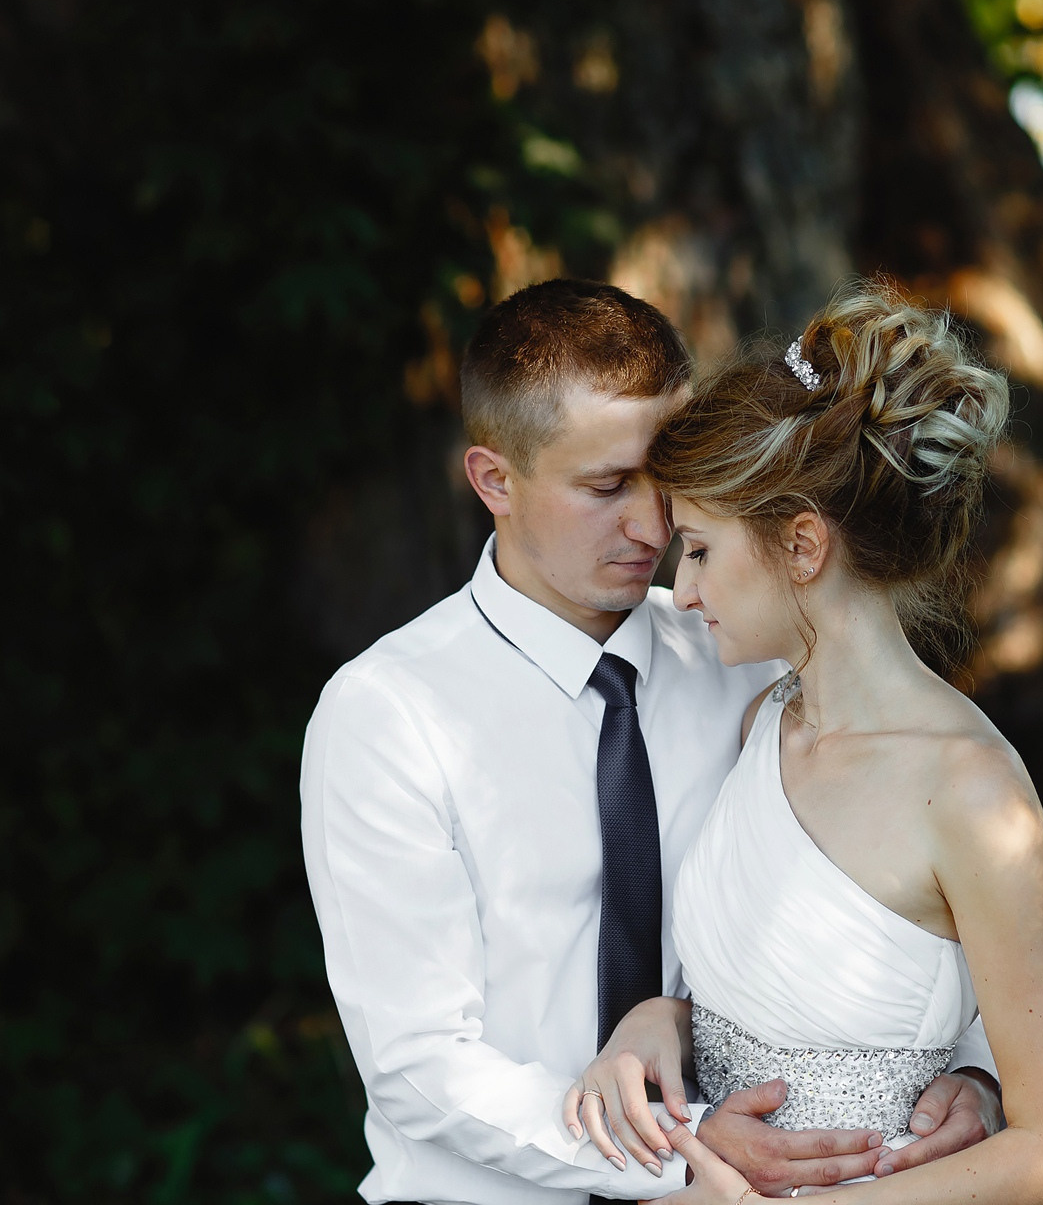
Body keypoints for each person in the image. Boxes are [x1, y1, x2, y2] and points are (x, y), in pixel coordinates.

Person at [300, 279, 1002, 1205]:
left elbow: (923, 885)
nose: (651, 525)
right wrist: (683, 1158)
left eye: (664, 479)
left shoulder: (754, 665)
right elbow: (418, 1062)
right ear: (493, 481)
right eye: (604, 487)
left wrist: (977, 1076)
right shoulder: (389, 713)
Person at [565, 282, 1043, 1204]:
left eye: (698, 550)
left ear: (803, 545)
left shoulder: (972, 791)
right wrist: (663, 1020)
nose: (682, 593)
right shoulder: (762, 725)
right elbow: (780, 997)